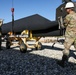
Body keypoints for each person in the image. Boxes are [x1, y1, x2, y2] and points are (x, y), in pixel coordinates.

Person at [57, 2, 76, 67]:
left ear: (69, 9)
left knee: (66, 49)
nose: (66, 10)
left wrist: (61, 21)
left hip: (70, 35)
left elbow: (63, 26)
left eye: (66, 9)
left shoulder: (68, 16)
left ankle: (62, 62)